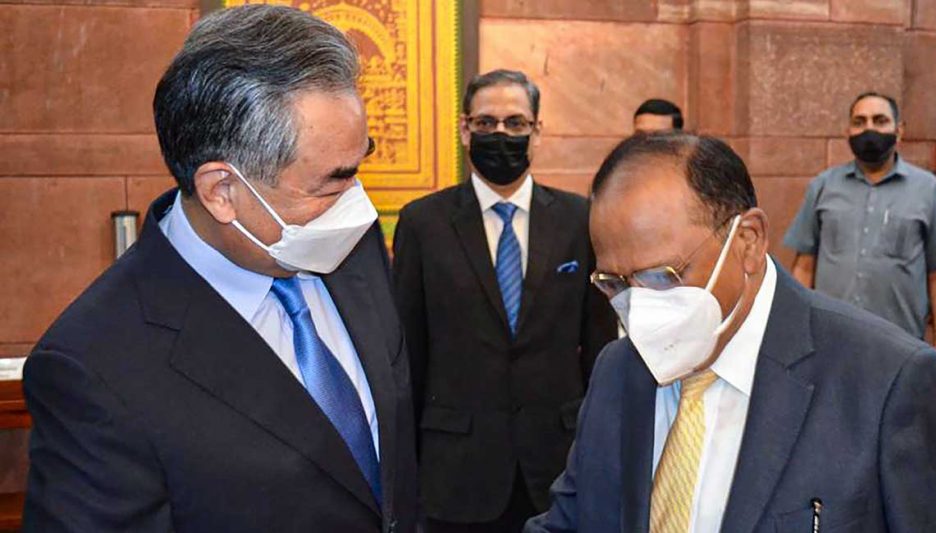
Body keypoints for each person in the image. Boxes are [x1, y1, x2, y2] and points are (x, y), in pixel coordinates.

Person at [21, 6, 416, 532]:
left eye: (357, 168)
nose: (357, 205)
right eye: (330, 184)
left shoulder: (351, 247)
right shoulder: (93, 369)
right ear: (222, 192)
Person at [525, 132, 936, 532]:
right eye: (616, 283)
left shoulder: (890, 383)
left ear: (748, 242)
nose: (640, 306)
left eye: (662, 276)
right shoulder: (619, 371)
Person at [392, 69, 618, 533]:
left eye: (515, 123)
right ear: (464, 129)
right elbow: (407, 353)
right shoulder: (423, 223)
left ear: (537, 131)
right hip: (456, 468)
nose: (501, 134)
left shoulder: (580, 220)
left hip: (557, 462)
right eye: (486, 122)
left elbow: (599, 348)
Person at [784, 92, 936, 350]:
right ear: (847, 131)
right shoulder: (823, 186)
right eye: (860, 122)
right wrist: (795, 333)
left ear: (899, 130)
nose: (869, 129)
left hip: (900, 346)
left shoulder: (928, 190)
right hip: (831, 342)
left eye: (880, 120)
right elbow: (804, 267)